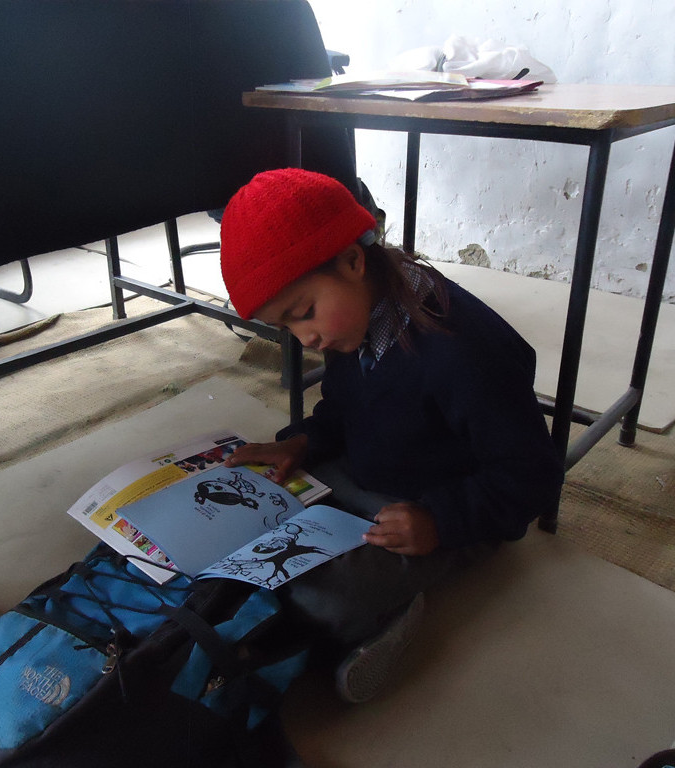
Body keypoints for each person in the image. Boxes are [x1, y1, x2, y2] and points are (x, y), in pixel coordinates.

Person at [218, 168, 565, 703]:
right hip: (367, 475)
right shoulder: (354, 320)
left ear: (353, 260)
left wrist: (441, 520)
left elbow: (533, 474)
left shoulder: (464, 351)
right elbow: (346, 408)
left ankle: (378, 626)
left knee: (325, 594)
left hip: (449, 509)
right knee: (250, 525)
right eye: (287, 328)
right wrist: (304, 441)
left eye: (303, 313)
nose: (305, 337)